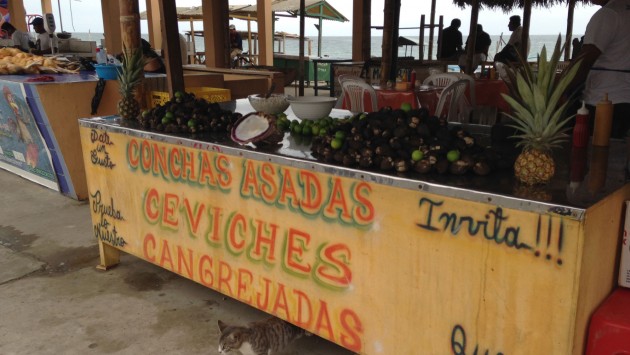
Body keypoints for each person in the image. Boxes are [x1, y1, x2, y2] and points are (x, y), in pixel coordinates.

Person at [566, 0, 630, 139]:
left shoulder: (608, 14)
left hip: (602, 101)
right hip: (624, 100)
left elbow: (584, 62)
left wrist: (559, 92)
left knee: (592, 153)